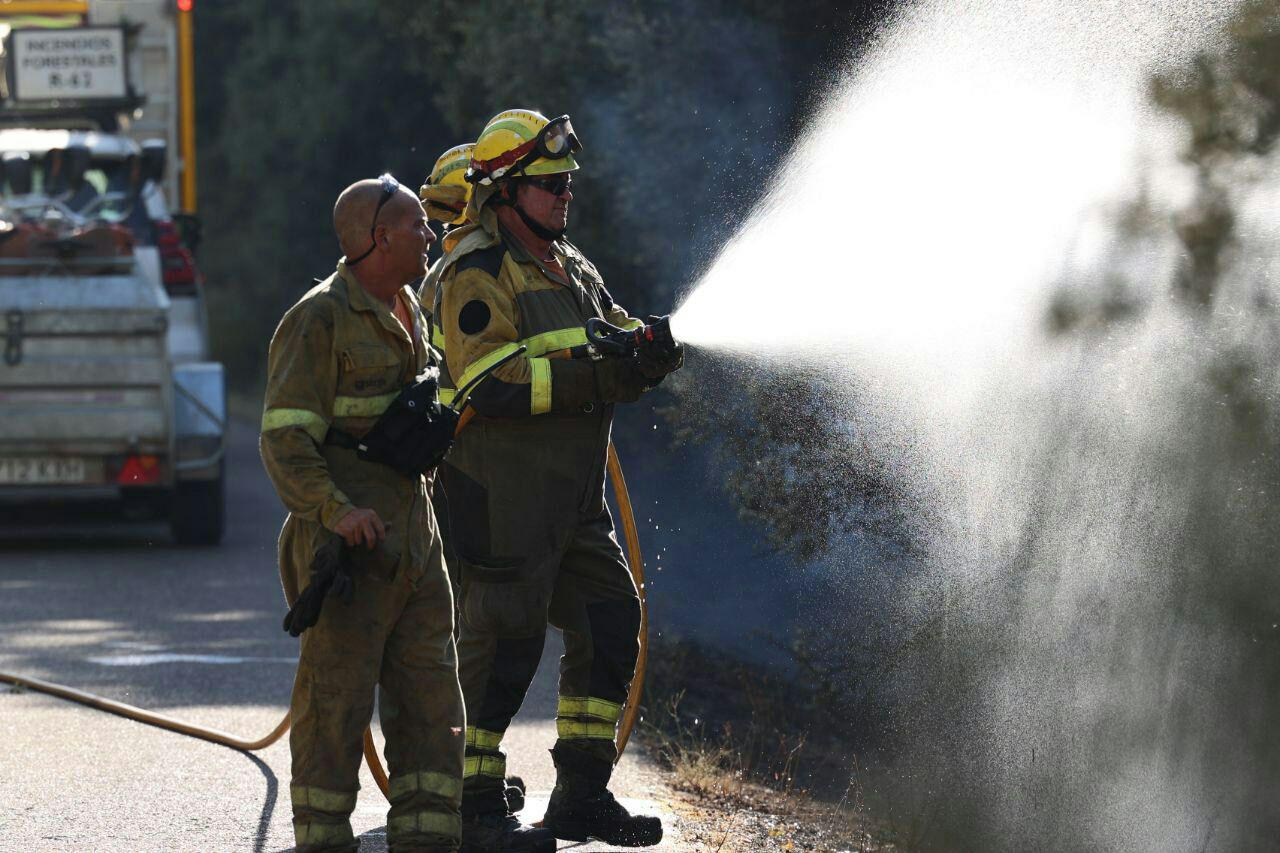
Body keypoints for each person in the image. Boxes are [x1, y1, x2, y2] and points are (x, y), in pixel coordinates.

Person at [434, 109, 683, 851]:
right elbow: (490, 383)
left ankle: (580, 792)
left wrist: (647, 351)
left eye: (567, 181)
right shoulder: (474, 270)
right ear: (506, 192)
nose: (564, 192)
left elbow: (607, 339)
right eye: (548, 183)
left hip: (573, 504)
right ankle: (469, 797)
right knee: (504, 640)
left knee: (610, 618)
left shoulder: (571, 264)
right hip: (501, 496)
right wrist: (596, 375)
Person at [260, 175, 464, 853]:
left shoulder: (414, 308)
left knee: (431, 687)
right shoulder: (318, 319)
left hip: (414, 537)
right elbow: (285, 438)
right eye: (417, 227)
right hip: (349, 546)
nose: (429, 235)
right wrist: (336, 511)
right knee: (336, 695)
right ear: (379, 238)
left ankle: (428, 834)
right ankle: (322, 836)